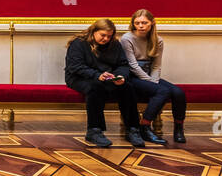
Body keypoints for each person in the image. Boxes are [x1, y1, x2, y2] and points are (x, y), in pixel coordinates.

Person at [64, 18, 143, 147]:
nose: (106, 39)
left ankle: (133, 129)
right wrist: (97, 75)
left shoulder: (115, 44)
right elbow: (75, 67)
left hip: (107, 77)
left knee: (127, 86)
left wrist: (120, 76)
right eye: (103, 35)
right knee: (94, 88)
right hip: (79, 78)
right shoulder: (79, 43)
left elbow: (123, 64)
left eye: (109, 36)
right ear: (94, 31)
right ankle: (94, 131)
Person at [120, 10, 187, 145]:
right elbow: (133, 66)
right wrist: (152, 83)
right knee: (162, 91)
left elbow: (156, 66)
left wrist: (154, 81)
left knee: (178, 93)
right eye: (137, 23)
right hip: (133, 76)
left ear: (152, 23)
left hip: (149, 74)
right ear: (133, 24)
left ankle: (178, 129)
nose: (141, 26)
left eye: (144, 22)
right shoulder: (127, 38)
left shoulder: (158, 40)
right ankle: (144, 126)